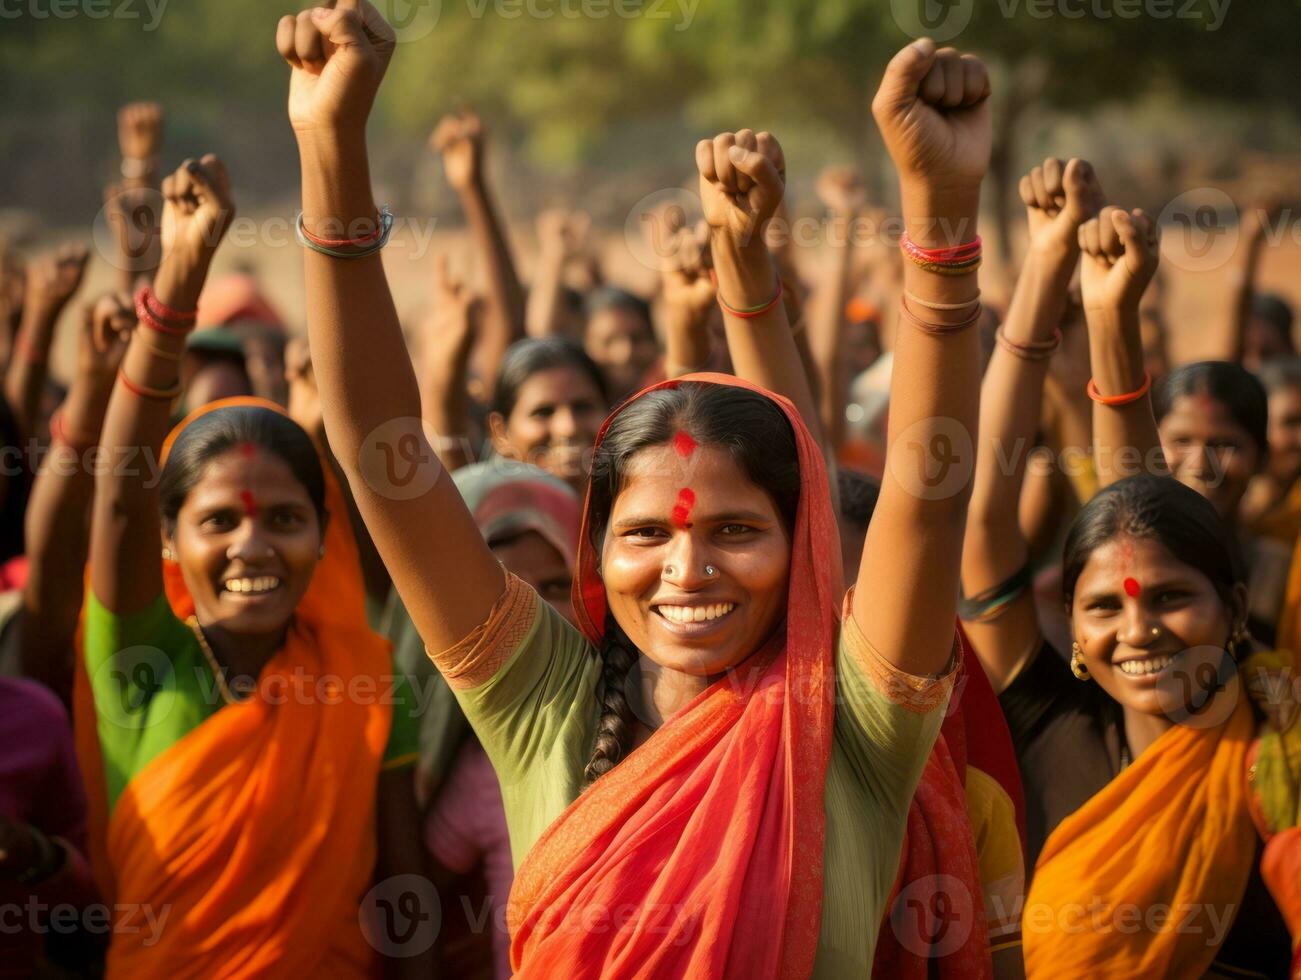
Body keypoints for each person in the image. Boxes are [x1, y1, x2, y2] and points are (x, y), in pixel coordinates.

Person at [278, 5, 989, 972]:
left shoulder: (852, 725)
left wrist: (941, 213)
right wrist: (331, 149)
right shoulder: (545, 705)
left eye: (737, 529)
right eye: (646, 533)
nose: (686, 567)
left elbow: (926, 488)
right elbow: (384, 455)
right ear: (596, 548)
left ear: (805, 543)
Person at [77, 155, 430, 976]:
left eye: (283, 519)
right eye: (217, 521)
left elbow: (403, 892)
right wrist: (177, 280)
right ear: (167, 541)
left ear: (322, 532)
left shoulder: (367, 679)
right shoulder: (141, 664)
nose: (252, 546)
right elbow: (121, 484)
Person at [485, 337, 609, 492]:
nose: (568, 428)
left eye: (583, 408)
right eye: (543, 412)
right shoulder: (475, 512)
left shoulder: (640, 507)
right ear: (500, 432)